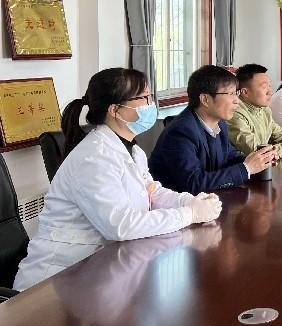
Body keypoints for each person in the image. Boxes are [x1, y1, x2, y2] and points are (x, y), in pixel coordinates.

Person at [13, 68, 222, 291]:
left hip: (102, 268)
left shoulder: (132, 151)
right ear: (115, 110)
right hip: (54, 281)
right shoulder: (94, 157)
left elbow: (152, 192)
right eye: (143, 98)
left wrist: (189, 201)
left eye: (150, 97)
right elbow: (120, 225)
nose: (150, 105)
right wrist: (188, 214)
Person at [149, 65, 275, 195]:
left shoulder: (220, 124)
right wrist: (246, 169)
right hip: (179, 205)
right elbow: (194, 183)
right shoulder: (181, 132)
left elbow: (230, 157)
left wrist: (260, 160)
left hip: (210, 201)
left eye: (236, 93)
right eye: (231, 94)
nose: (237, 101)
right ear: (205, 99)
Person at [226, 63, 282, 158]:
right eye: (264, 87)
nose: (270, 92)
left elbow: (280, 137)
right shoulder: (235, 114)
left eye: (270, 86)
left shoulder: (264, 110)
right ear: (245, 92)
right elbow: (258, 152)